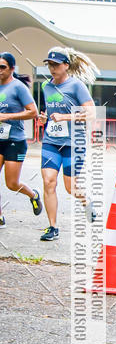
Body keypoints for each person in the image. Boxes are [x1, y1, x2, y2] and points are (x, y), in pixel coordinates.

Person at [38, 47, 97, 241]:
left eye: (56, 65)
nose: (52, 68)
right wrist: (45, 118)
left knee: (71, 187)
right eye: (49, 65)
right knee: (49, 182)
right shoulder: (46, 86)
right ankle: (52, 227)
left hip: (73, 143)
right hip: (51, 142)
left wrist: (64, 117)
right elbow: (50, 113)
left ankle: (86, 202)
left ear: (66, 65)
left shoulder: (76, 86)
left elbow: (91, 114)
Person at [0, 53, 42, 226]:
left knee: (11, 183)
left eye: (2, 67)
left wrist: (7, 116)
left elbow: (33, 112)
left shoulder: (18, 87)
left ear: (11, 68)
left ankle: (33, 195)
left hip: (14, 141)